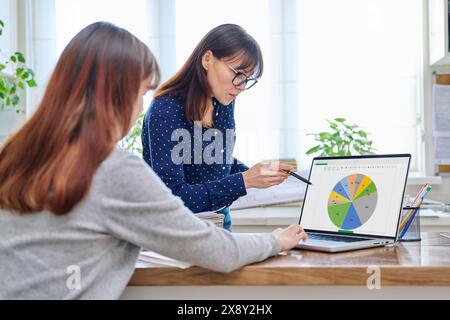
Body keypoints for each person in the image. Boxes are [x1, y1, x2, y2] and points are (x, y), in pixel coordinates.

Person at [0, 22, 307, 300]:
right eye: (141, 92)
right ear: (117, 95)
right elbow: (218, 251)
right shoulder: (113, 168)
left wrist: (249, 173)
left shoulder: (14, 156)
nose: (140, 109)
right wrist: (275, 240)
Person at [142, 24, 292, 231]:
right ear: (207, 59)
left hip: (219, 221)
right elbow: (173, 197)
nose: (241, 86)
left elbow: (215, 162)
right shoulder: (166, 109)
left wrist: (257, 173)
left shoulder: (223, 102)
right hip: (175, 230)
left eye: (247, 79)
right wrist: (244, 180)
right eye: (238, 73)